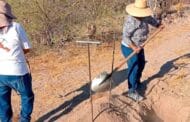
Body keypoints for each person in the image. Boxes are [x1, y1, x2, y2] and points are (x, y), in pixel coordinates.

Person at [0, 1, 34, 122]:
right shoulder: (16, 27)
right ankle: (24, 120)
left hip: (1, 73)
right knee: (27, 96)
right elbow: (27, 48)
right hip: (18, 71)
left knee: (3, 102)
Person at [121, 0, 161, 101]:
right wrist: (134, 47)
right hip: (129, 47)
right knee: (134, 67)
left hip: (140, 46)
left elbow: (152, 21)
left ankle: (137, 83)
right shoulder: (131, 21)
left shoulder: (145, 16)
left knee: (142, 64)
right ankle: (131, 91)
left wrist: (158, 25)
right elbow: (125, 37)